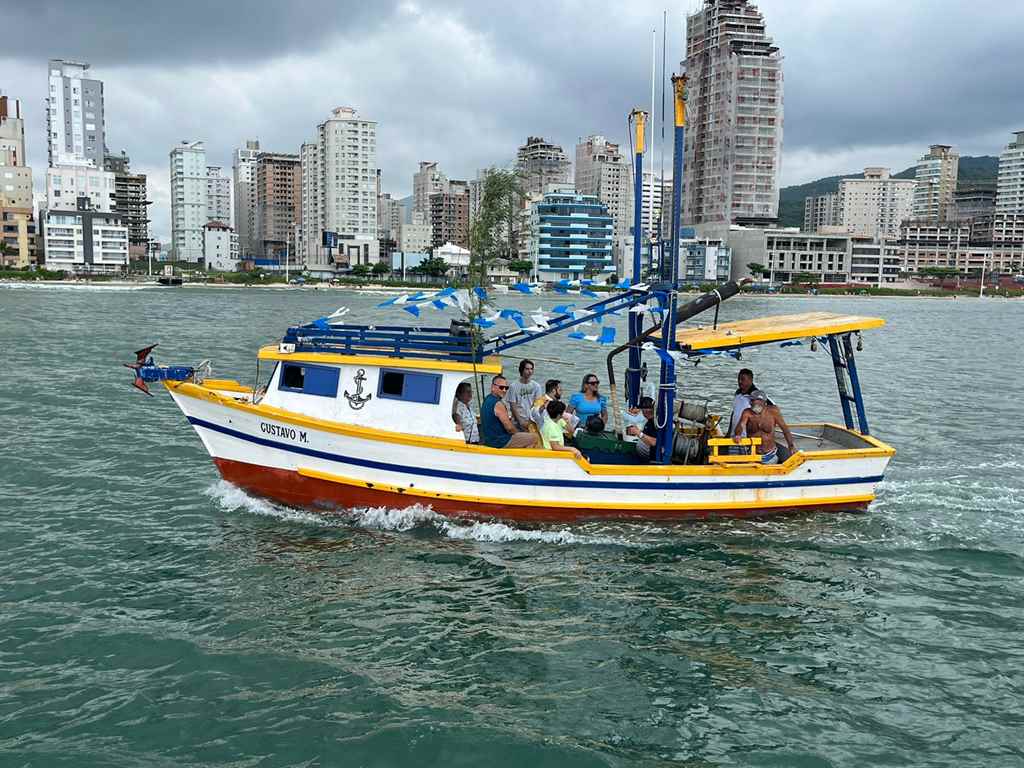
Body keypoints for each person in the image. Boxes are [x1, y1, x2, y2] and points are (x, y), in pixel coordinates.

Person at [732, 390, 796, 465]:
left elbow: (785, 429)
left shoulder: (773, 412)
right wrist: (738, 434)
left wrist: (791, 446)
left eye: (757, 404)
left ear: (764, 403)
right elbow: (741, 426)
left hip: (770, 454)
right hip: (753, 453)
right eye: (752, 402)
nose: (753, 405)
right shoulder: (747, 412)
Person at [481, 375, 540, 449]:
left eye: (506, 388)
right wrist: (519, 433)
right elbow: (509, 428)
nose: (504, 390)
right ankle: (522, 458)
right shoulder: (498, 404)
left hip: (489, 439)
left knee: (524, 435)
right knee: (534, 437)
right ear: (493, 387)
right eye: (501, 387)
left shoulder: (487, 399)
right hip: (500, 441)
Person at [506, 359, 543, 432]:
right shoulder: (513, 386)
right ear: (522, 370)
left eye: (531, 369)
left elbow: (537, 405)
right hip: (517, 420)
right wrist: (520, 421)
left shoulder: (536, 386)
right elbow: (513, 406)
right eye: (527, 369)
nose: (530, 371)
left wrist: (532, 420)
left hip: (532, 420)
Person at [627, 396, 658, 461]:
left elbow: (655, 442)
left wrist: (639, 433)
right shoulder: (650, 422)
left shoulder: (656, 423)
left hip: (655, 457)